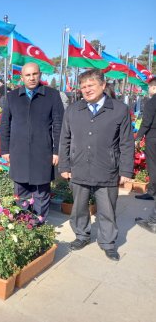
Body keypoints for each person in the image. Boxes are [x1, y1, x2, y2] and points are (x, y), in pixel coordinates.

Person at [58, 69, 134, 261]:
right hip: (79, 167)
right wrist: (64, 166)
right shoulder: (73, 110)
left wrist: (125, 170)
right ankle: (82, 235)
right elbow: (65, 139)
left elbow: (126, 142)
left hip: (107, 168)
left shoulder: (119, 109)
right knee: (79, 207)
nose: (86, 89)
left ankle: (108, 243)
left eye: (91, 85)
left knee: (107, 209)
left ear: (102, 85)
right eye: (83, 86)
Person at [0, 62, 64, 223]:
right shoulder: (12, 97)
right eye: (27, 75)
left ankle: (40, 224)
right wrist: (5, 150)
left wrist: (57, 151)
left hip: (43, 151)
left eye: (34, 74)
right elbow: (5, 124)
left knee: (42, 191)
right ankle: (24, 224)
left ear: (40, 75)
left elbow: (59, 125)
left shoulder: (52, 95)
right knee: (21, 190)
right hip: (18, 151)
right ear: (21, 77)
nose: (31, 78)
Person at [135, 77, 156, 232]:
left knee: (153, 167)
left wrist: (138, 137)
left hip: (153, 138)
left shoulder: (151, 102)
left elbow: (146, 122)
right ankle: (151, 191)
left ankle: (153, 221)